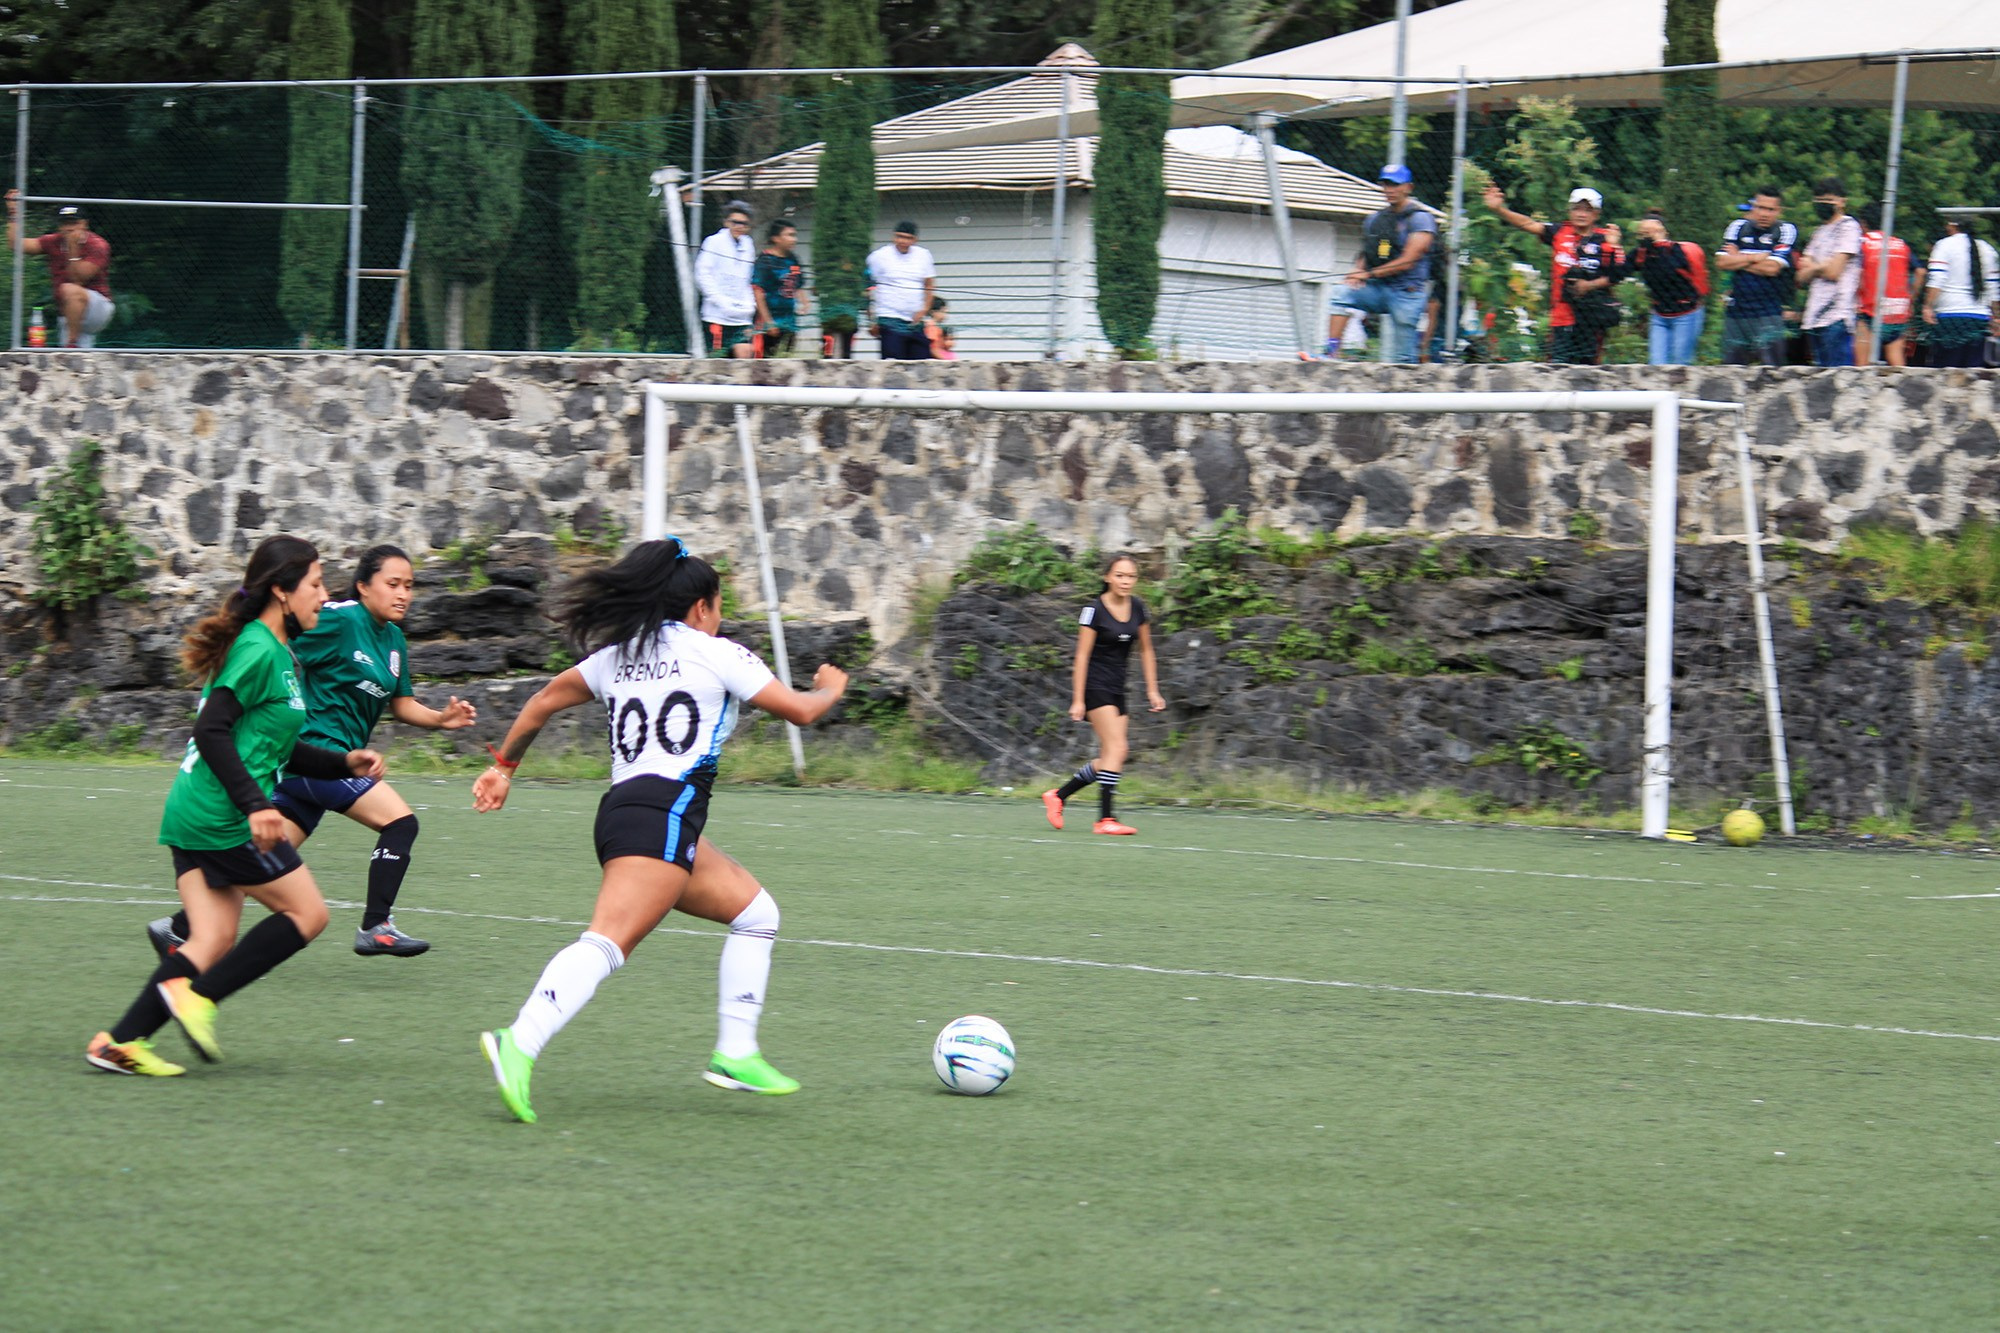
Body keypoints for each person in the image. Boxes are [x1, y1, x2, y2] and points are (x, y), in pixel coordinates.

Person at [473, 538, 850, 1123]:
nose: (719, 615)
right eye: (718, 604)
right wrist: (831, 687)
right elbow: (801, 711)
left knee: (756, 914)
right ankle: (518, 1040)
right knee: (605, 943)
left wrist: (504, 768)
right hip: (664, 815)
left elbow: (542, 701)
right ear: (701, 607)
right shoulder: (718, 652)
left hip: (628, 811)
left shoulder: (617, 656)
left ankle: (736, 1051)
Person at [85, 536, 386, 1077]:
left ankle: (119, 1042)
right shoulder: (257, 649)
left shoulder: (277, 651)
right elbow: (212, 728)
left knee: (213, 937)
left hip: (194, 809)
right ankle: (198, 999)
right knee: (308, 914)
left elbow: (277, 745)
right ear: (281, 590)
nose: (324, 595)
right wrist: (254, 805)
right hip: (221, 814)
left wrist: (344, 763)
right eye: (315, 584)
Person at [148, 545, 478, 961]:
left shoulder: (393, 640)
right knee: (400, 823)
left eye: (409, 586)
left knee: (257, 860)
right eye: (392, 584)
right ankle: (376, 925)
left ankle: (178, 930)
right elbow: (279, 641)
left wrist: (440, 719)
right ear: (363, 586)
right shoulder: (338, 619)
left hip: (324, 761)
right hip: (315, 751)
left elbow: (400, 703)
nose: (403, 594)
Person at [1040, 554, 1165, 838]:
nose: (1125, 581)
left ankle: (1059, 796)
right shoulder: (1093, 610)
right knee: (1117, 749)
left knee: (1113, 754)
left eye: (1131, 576)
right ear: (1107, 577)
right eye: (1120, 575)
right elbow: (1082, 656)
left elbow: (1146, 650)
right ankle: (1105, 819)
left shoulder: (1138, 608)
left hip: (1118, 687)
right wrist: (1078, 699)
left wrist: (1152, 690)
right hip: (1095, 686)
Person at [1483, 183, 1623, 365]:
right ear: (1569, 211)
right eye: (1576, 209)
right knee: (1558, 366)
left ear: (1597, 214)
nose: (1581, 214)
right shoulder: (1559, 232)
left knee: (1587, 369)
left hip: (1591, 317)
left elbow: (1618, 274)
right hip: (1562, 316)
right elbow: (1528, 224)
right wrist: (1500, 209)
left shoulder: (1605, 238)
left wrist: (1613, 248)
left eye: (1587, 210)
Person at [1325, 165, 1436, 364]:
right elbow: (1368, 251)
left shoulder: (1420, 219)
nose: (1389, 189)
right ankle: (1331, 353)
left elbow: (1408, 261)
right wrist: (1357, 270)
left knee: (1404, 361)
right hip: (1378, 288)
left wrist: (1367, 275)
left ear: (1408, 187)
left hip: (1407, 293)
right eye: (1385, 184)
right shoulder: (1375, 219)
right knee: (1341, 293)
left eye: (1395, 185)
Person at [6, 190, 115, 348]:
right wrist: (14, 213)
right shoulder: (53, 241)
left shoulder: (97, 245)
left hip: (98, 309)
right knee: (75, 365)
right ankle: (72, 349)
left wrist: (72, 248)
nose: (69, 228)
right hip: (70, 313)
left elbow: (78, 279)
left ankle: (72, 343)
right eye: (65, 223)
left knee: (70, 290)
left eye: (74, 223)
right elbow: (15, 244)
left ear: (85, 224)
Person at [1717, 187, 1797, 366]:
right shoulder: (1737, 227)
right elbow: (1722, 263)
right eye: (1760, 207)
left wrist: (1739, 258)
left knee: (1773, 374)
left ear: (1779, 211)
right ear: (1753, 207)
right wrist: (1755, 257)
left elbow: (1772, 268)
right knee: (1730, 373)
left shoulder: (1785, 230)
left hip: (1768, 314)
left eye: (1770, 209)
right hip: (1737, 313)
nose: (1764, 213)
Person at [1620, 209, 1709, 366]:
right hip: (1660, 314)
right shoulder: (1641, 254)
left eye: (1652, 231)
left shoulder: (1678, 252)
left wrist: (1659, 245)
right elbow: (1618, 272)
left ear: (1663, 231)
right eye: (1644, 232)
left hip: (1686, 313)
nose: (1648, 236)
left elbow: (1669, 268)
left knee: (1680, 365)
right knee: (1656, 364)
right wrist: (1613, 246)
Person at [1795, 177, 1863, 368]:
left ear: (1842, 201)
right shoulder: (1819, 232)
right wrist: (1821, 266)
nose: (1824, 205)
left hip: (1837, 317)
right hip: (1813, 318)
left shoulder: (1848, 227)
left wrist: (1814, 267)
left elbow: (1834, 272)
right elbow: (1800, 276)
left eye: (1829, 201)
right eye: (1820, 201)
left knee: (1839, 378)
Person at [1922, 217, 2000, 369]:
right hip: (1979, 319)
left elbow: (1937, 279)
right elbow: (1993, 288)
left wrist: (1928, 306)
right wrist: (1996, 317)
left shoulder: (1944, 245)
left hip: (1949, 317)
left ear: (1952, 225)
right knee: (1973, 372)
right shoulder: (1987, 249)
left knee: (1945, 371)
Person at [1854, 202, 1922, 367]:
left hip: (1871, 312)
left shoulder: (1863, 243)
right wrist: (1911, 297)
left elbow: (1858, 273)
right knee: (1897, 363)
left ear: (1863, 224)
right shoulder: (1900, 243)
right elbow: (1920, 271)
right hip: (1897, 310)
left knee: (1861, 367)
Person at [695, 201, 757, 359]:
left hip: (742, 315)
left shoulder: (748, 245)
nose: (739, 227)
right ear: (727, 222)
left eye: (744, 223)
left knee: (745, 357)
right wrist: (720, 301)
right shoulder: (714, 242)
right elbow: (703, 274)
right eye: (735, 222)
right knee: (718, 363)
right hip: (717, 315)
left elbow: (748, 277)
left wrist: (749, 303)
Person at [866, 220, 936, 360]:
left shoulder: (923, 255)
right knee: (893, 365)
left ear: (915, 240)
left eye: (907, 238)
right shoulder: (880, 256)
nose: (902, 241)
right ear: (893, 237)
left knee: (922, 362)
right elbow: (868, 286)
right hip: (889, 318)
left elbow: (929, 284)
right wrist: (871, 320)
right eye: (899, 236)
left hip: (914, 321)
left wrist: (924, 309)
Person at [751, 219, 809, 358]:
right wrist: (768, 322)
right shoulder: (765, 261)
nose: (793, 239)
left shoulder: (793, 259)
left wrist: (805, 303)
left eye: (794, 235)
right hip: (768, 324)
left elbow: (798, 284)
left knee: (787, 361)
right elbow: (758, 292)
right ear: (776, 238)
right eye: (789, 235)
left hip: (789, 322)